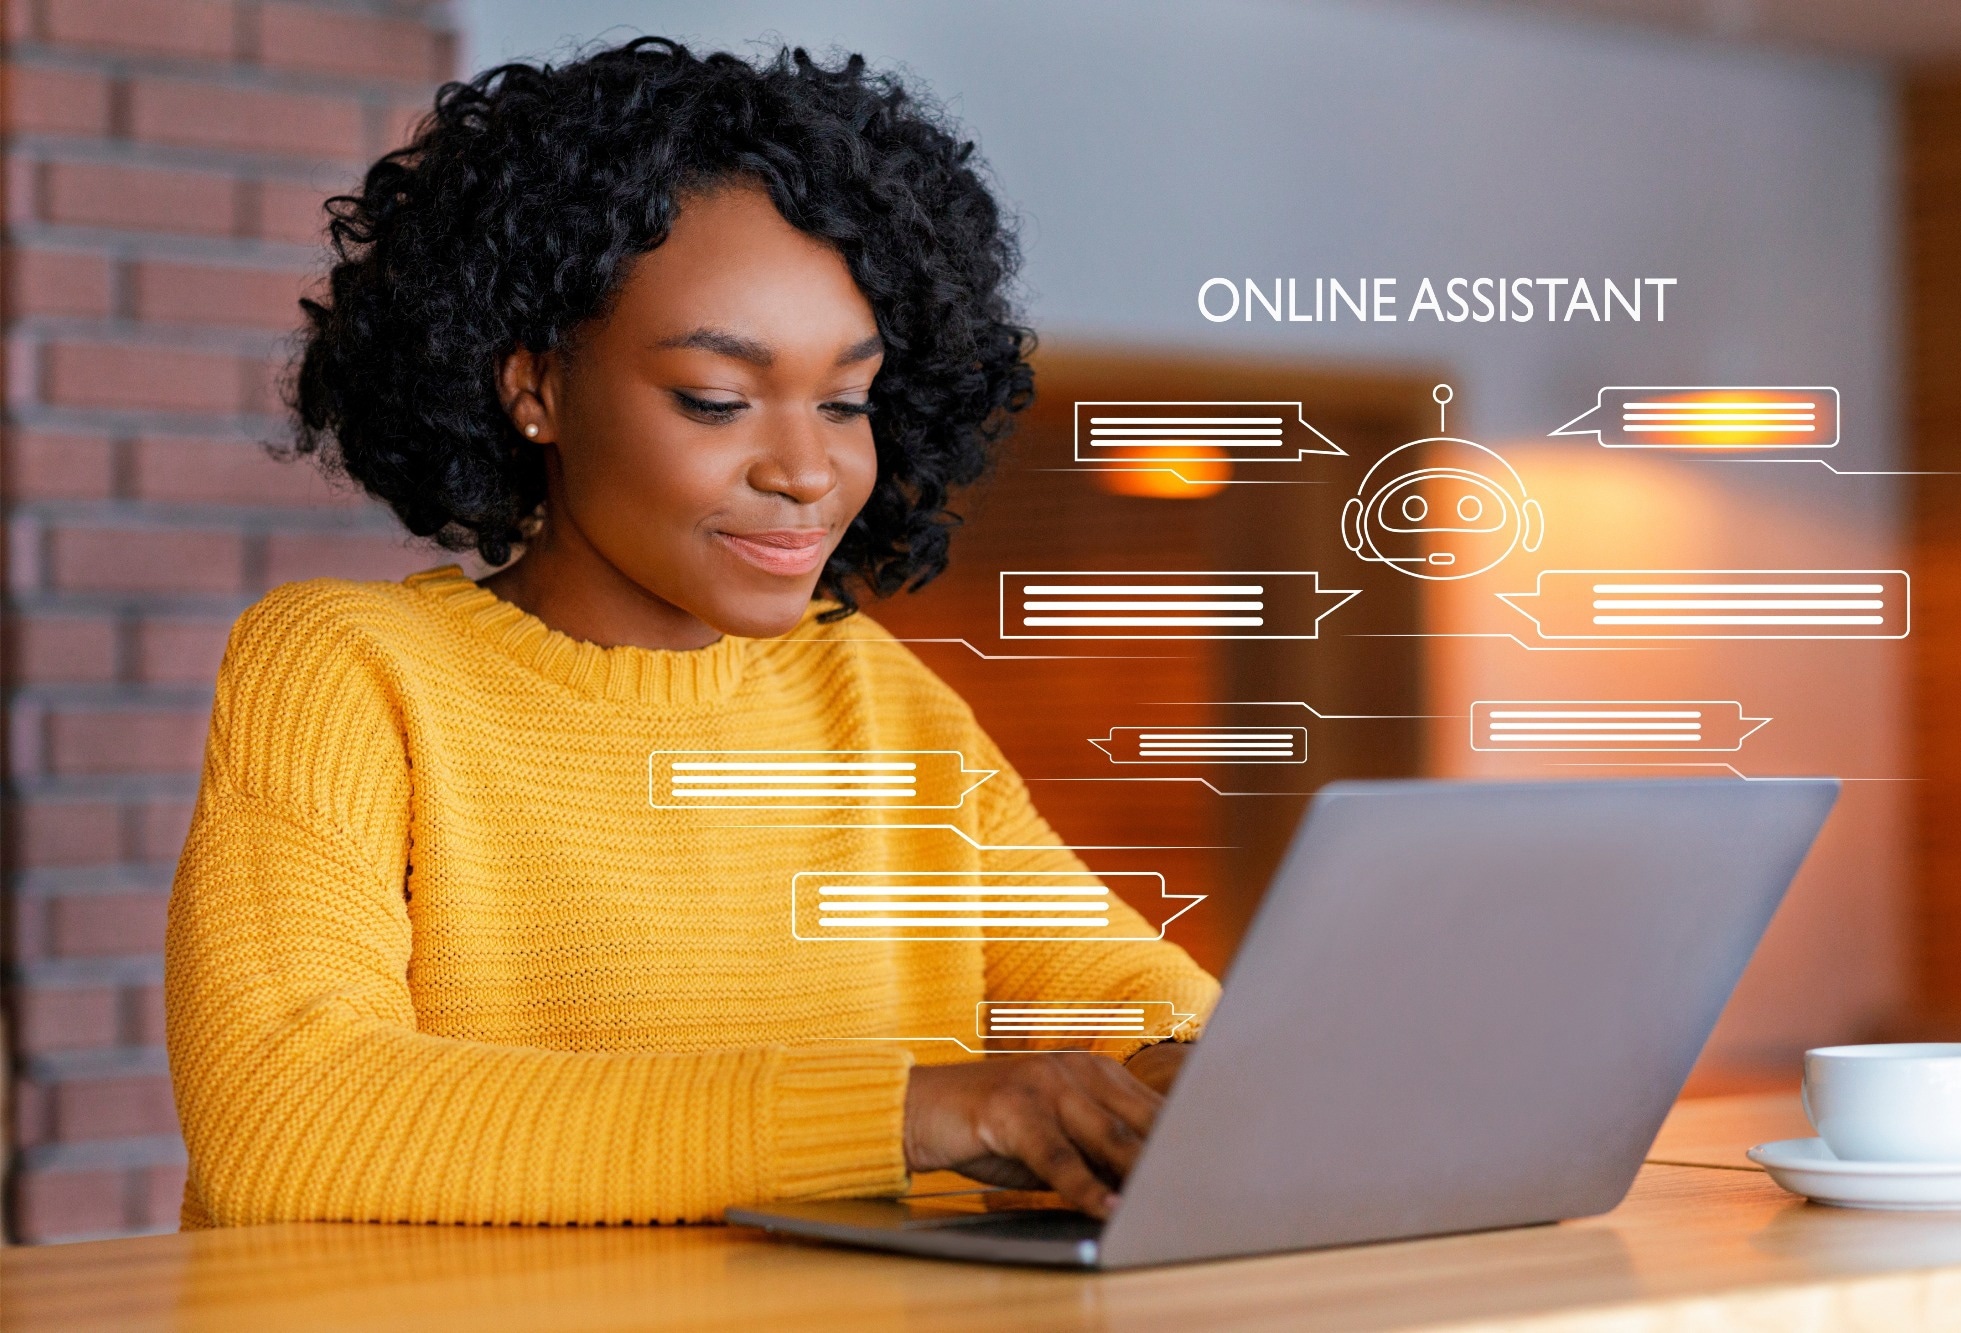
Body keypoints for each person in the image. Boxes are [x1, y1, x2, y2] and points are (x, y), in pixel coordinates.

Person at [164, 39, 1218, 1231]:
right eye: (715, 400)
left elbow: (1141, 1000)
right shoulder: (348, 671)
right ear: (535, 388)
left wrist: (1198, 1073)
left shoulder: (874, 699)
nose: (807, 469)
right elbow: (288, 1116)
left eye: (845, 401)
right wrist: (916, 1111)